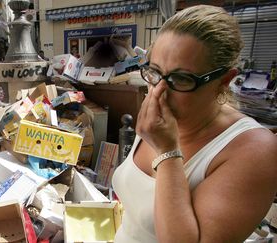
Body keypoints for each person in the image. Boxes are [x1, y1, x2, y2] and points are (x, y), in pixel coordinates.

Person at [112, 5, 277, 243]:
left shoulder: (254, 149)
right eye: (155, 72)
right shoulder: (160, 116)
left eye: (181, 79)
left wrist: (167, 151)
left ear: (224, 81)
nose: (159, 92)